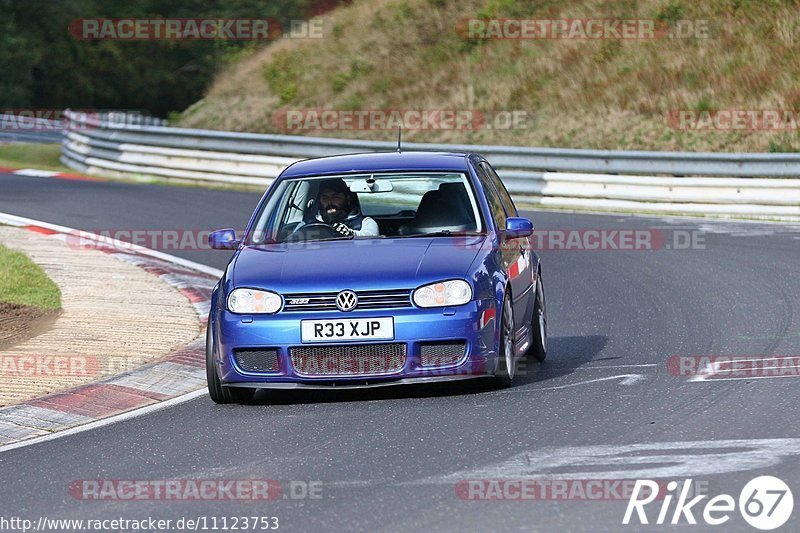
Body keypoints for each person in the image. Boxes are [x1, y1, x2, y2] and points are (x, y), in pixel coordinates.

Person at [305, 178, 379, 238]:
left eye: (335, 197)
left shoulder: (364, 222)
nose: (329, 202)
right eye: (325, 197)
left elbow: (371, 239)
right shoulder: (308, 222)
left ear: (348, 199)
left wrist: (351, 234)